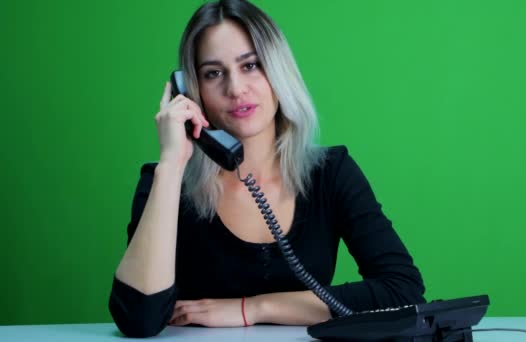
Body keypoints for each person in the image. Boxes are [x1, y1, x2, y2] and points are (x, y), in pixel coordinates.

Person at [109, 0, 425, 338]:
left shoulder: (331, 173)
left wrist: (253, 308)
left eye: (251, 65)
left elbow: (402, 291)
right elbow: (138, 320)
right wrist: (172, 165)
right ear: (191, 91)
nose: (235, 89)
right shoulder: (166, 183)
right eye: (213, 74)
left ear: (278, 71)